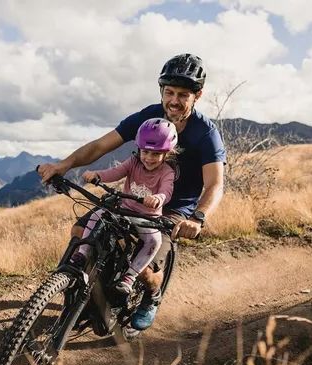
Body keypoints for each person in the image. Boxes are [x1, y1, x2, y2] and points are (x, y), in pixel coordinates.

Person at [38, 53, 226, 333]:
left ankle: (152, 297)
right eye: (169, 92)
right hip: (133, 197)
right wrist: (63, 165)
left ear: (197, 95)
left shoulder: (205, 134)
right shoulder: (148, 117)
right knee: (81, 231)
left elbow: (215, 185)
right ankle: (76, 287)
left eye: (183, 95)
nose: (174, 101)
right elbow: (100, 146)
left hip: (173, 209)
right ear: (161, 91)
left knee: (146, 268)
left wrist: (198, 218)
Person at [71, 118, 177, 301]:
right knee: (97, 216)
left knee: (154, 240)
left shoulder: (167, 172)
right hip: (123, 210)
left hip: (147, 218)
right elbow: (116, 172)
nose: (149, 158)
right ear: (139, 149)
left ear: (167, 153)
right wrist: (97, 175)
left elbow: (166, 191)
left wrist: (158, 198)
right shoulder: (134, 162)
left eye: (156, 154)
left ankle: (130, 276)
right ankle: (82, 254)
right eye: (145, 152)